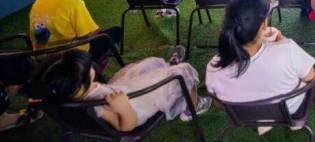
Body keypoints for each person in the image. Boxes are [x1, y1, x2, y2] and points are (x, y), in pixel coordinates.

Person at [206, 0, 315, 136]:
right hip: (287, 110)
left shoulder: (213, 67)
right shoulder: (287, 49)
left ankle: (263, 118)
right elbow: (311, 77)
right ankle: (283, 118)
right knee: (303, 77)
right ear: (263, 25)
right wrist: (282, 41)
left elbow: (219, 104)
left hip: (242, 115)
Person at [30, 48, 209, 130]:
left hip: (121, 89)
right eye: (87, 70)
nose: (92, 69)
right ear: (76, 87)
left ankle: (167, 68)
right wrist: (123, 109)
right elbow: (126, 127)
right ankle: (192, 107)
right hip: (134, 105)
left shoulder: (75, 93)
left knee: (148, 65)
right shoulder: (96, 107)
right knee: (182, 72)